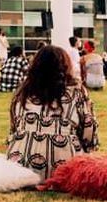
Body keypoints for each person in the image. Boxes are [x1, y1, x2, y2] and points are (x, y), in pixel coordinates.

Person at [7, 45, 99, 180]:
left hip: (21, 164)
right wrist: (89, 150)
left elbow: (15, 128)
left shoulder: (23, 92)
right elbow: (88, 129)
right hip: (65, 165)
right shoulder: (76, 92)